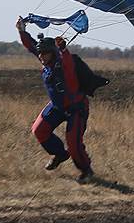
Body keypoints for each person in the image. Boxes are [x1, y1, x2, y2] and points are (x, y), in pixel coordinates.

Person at [16, 16, 94, 183]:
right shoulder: (46, 61)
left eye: (45, 53)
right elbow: (32, 46)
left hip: (76, 108)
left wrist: (63, 49)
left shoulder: (63, 64)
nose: (42, 57)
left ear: (53, 53)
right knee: (39, 130)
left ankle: (86, 170)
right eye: (41, 54)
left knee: (73, 143)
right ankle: (59, 154)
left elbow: (67, 61)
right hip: (58, 106)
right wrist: (22, 31)